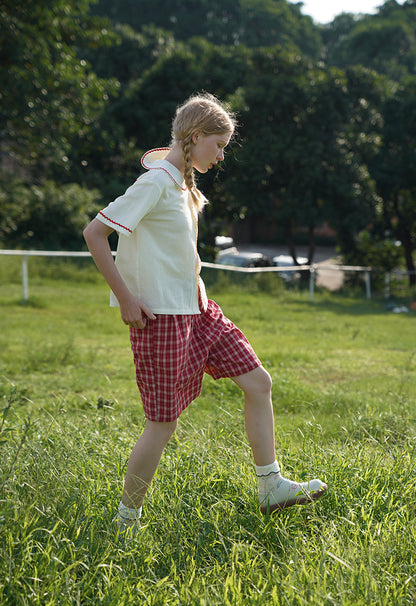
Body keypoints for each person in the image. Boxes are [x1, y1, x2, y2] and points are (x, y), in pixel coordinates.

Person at [83, 93, 327, 537]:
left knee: (259, 382)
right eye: (218, 145)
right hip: (163, 318)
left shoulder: (181, 182)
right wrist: (126, 299)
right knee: (162, 424)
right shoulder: (156, 181)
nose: (220, 155)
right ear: (194, 137)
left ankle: (271, 485)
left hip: (199, 309)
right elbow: (95, 233)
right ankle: (125, 522)